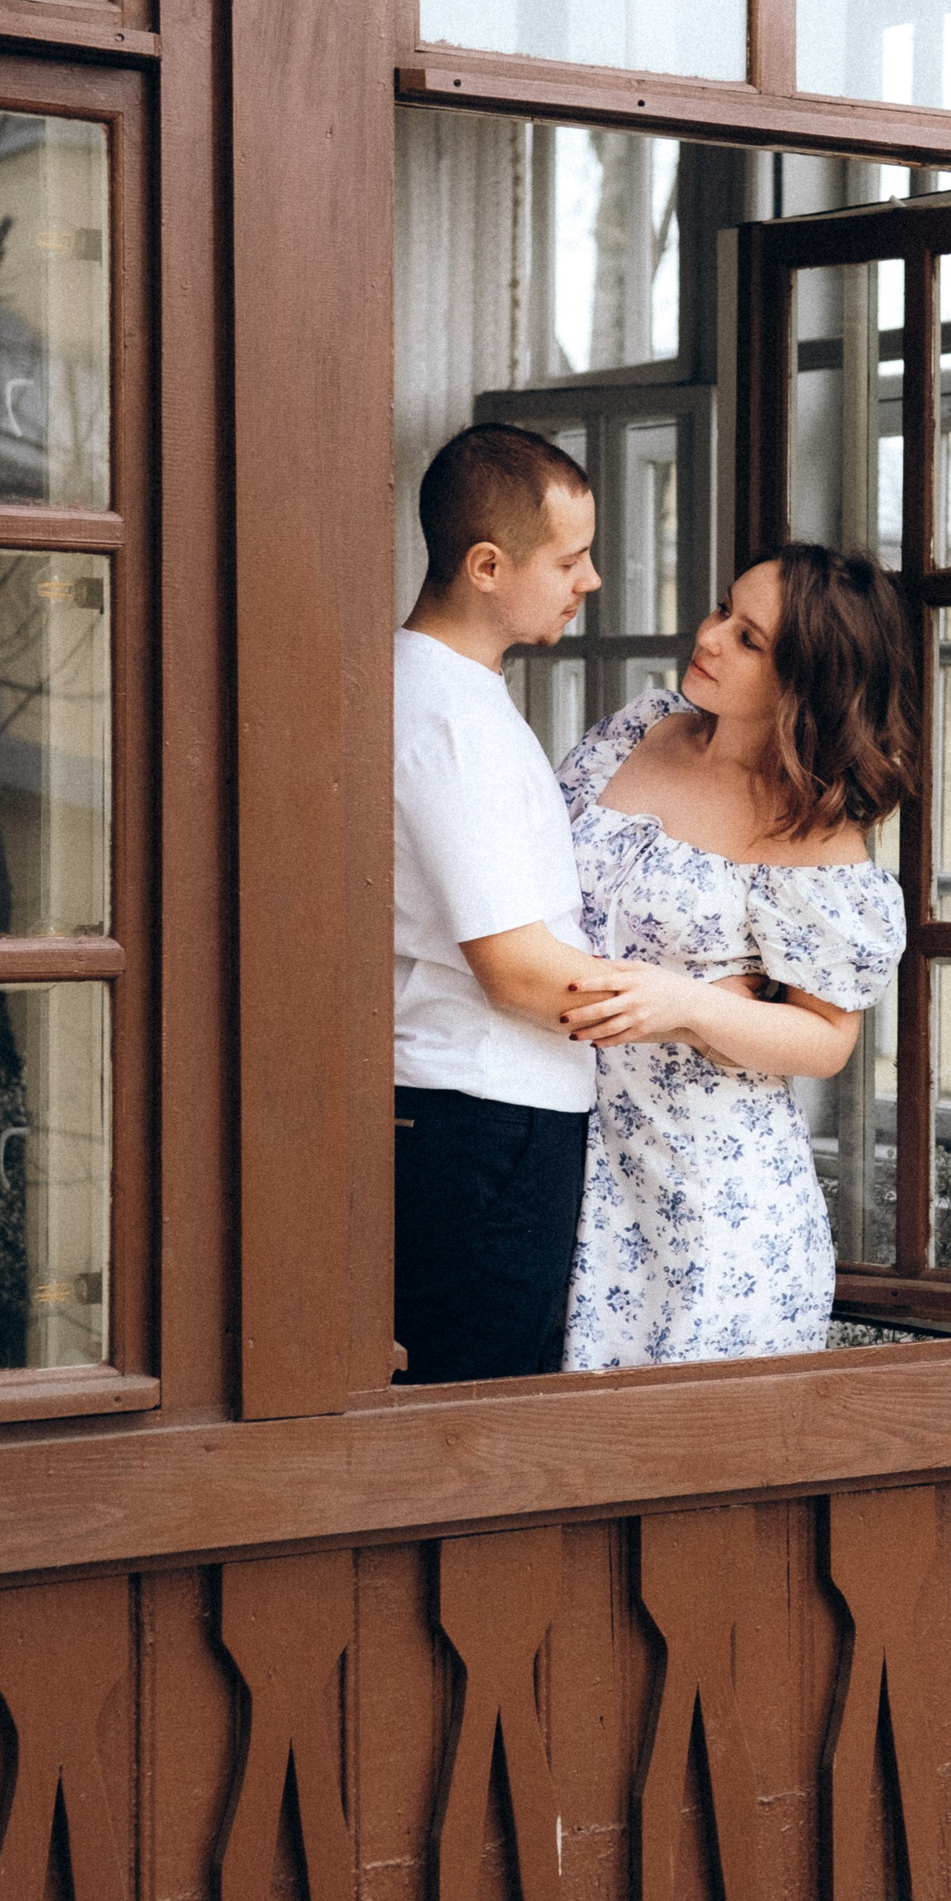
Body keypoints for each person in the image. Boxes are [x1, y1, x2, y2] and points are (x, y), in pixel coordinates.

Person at [555, 544, 916, 1369]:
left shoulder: (813, 830)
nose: (709, 636)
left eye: (749, 640)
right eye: (723, 609)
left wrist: (689, 1003)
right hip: (564, 1151)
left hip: (712, 1201)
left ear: (805, 682)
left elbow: (827, 1041)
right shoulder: (638, 730)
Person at [391, 422, 616, 1381]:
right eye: (569, 559)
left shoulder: (452, 695)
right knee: (476, 1402)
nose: (590, 579)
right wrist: (707, 1015)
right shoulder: (448, 719)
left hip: (482, 1111)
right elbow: (517, 969)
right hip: (484, 1118)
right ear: (486, 566)